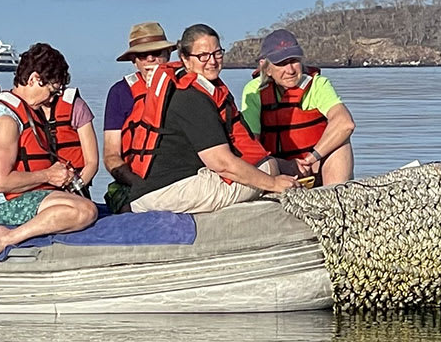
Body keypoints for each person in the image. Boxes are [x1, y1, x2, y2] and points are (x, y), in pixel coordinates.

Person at [126, 24, 295, 214]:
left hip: (162, 188)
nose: (212, 61)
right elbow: (221, 163)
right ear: (185, 59)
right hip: (166, 194)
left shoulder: (196, 89)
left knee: (265, 165)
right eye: (203, 56)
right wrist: (273, 184)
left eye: (217, 53)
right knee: (268, 168)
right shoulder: (190, 97)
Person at [0, 42, 98, 270]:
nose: (50, 100)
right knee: (85, 212)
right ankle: (5, 238)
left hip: (25, 195)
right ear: (33, 79)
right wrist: (48, 175)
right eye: (51, 91)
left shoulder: (27, 113)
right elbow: (2, 182)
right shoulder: (6, 121)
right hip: (0, 203)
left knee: (85, 207)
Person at [240, 29, 355, 184]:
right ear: (266, 68)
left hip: (315, 165)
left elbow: (346, 124)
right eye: (281, 63)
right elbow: (251, 145)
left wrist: (311, 158)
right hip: (280, 170)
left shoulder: (318, 84)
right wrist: (287, 165)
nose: (290, 70)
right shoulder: (254, 90)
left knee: (342, 142)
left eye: (294, 61)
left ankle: (334, 194)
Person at [101, 21, 177, 210]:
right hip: (134, 181)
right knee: (127, 207)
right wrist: (138, 185)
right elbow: (111, 155)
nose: (150, 58)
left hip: (178, 180)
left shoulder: (184, 88)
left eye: (157, 52)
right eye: (143, 55)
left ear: (168, 54)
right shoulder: (119, 93)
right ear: (134, 60)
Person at [44, 86, 99, 193]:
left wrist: (75, 189)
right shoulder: (26, 109)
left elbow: (92, 163)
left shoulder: (77, 106)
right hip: (38, 188)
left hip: (74, 186)